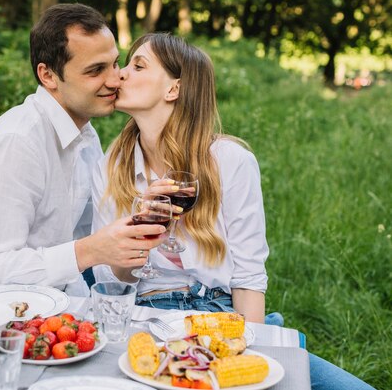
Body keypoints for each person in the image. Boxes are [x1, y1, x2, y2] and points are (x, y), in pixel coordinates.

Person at [91, 33, 375, 389]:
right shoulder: (110, 166)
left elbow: (248, 277)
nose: (120, 75)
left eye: (138, 65)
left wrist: (248, 347)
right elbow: (110, 282)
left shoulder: (229, 162)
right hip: (148, 321)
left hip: (221, 314)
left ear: (173, 90)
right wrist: (139, 232)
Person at [0, 3, 166, 296]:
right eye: (95, 71)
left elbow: (91, 237)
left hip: (65, 304)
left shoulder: (85, 137)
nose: (116, 80)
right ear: (48, 76)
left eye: (115, 63)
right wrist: (88, 251)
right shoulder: (15, 143)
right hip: (4, 313)